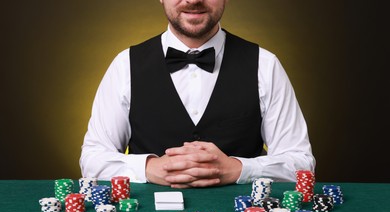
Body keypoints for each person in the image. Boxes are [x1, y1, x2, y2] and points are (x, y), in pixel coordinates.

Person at [80, 0, 315, 188]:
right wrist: (149, 168)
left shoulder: (266, 65)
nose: (193, 0)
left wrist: (238, 169)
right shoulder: (125, 65)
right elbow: (92, 160)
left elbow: (301, 163)